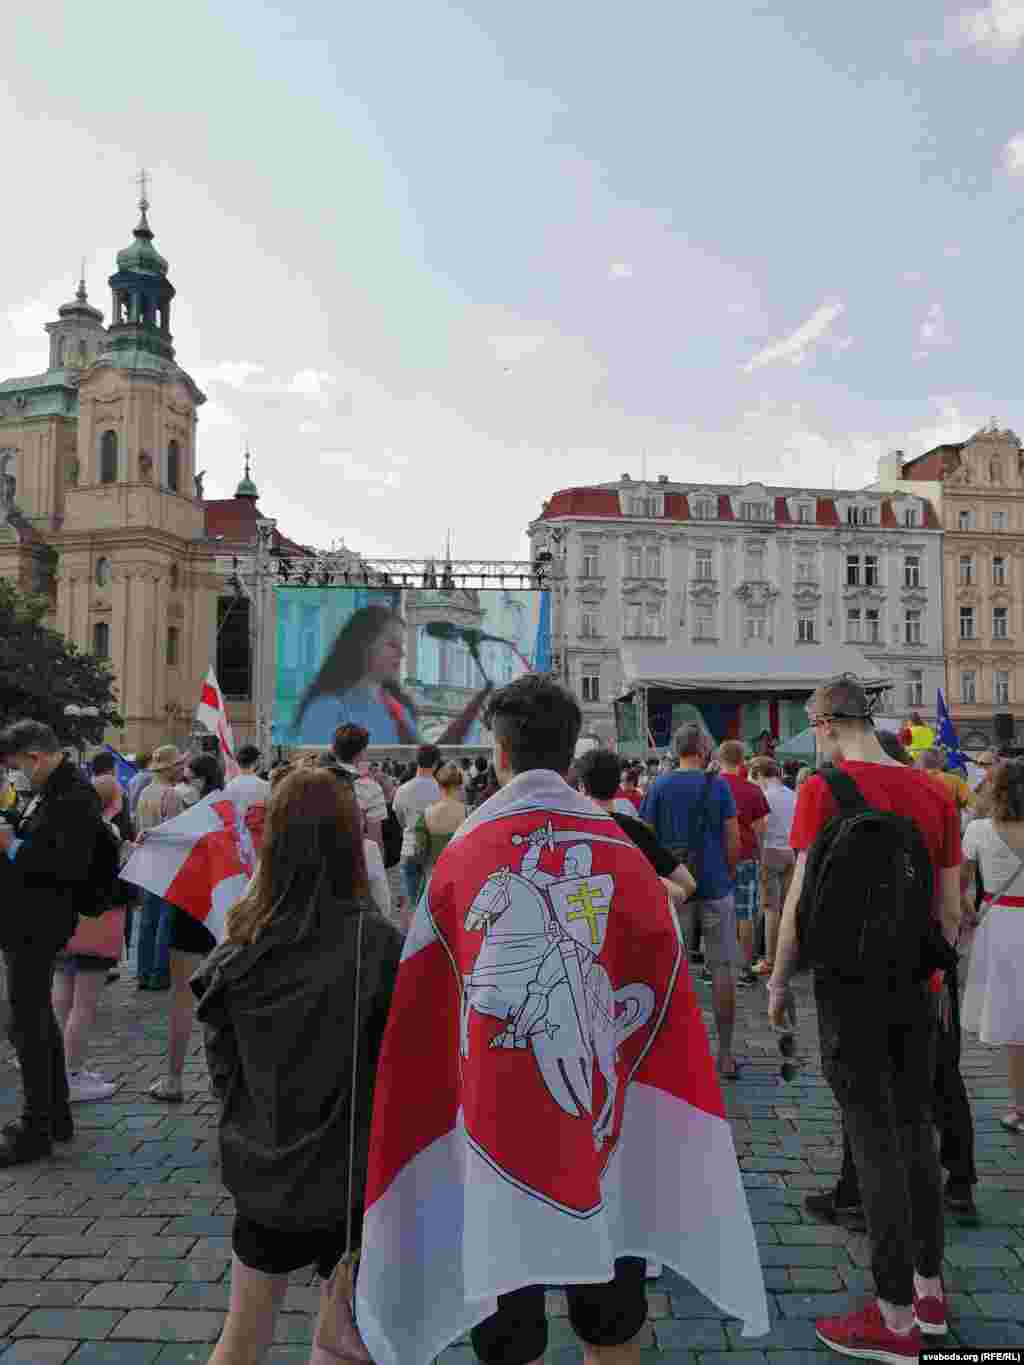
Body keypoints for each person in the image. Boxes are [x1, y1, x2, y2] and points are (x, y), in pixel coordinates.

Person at [354, 674, 769, 1365]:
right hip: (605, 1142)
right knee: (610, 1325)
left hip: (496, 1129)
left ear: (502, 751)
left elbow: (424, 1014)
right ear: (566, 750)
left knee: (510, 1336)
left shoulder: (465, 857)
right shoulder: (626, 856)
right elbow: (665, 1002)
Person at [768, 675, 961, 1358]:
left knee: (872, 1136)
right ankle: (929, 1292)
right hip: (915, 984)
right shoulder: (936, 793)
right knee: (916, 1133)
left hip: (847, 987)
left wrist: (781, 977)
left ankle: (894, 1317)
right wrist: (936, 980)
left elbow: (798, 895)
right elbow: (950, 912)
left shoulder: (824, 790)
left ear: (823, 723)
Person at [194, 765, 402, 1365]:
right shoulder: (378, 945)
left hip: (267, 1172)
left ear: (274, 841)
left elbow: (223, 1074)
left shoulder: (239, 947)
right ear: (348, 840)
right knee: (341, 1342)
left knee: (242, 1335)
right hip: (352, 1178)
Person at [0, 721, 106, 1164]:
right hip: (29, 919)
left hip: (37, 922)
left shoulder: (73, 795)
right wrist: (12, 826)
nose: (16, 776)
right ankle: (55, 1115)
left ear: (36, 757)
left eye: (17, 767)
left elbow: (61, 863)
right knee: (35, 1020)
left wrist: (10, 845)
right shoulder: (57, 790)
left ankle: (36, 1126)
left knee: (27, 1024)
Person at [640, 723, 741, 1079]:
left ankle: (674, 1057)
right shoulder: (719, 786)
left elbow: (646, 840)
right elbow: (733, 840)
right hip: (715, 885)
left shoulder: (659, 786)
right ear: (702, 750)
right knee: (723, 970)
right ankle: (725, 1054)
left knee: (671, 971)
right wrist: (725, 874)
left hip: (674, 890)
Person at [50, 755, 131, 1103]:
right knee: (83, 1004)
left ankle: (58, 1071)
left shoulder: (66, 829)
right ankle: (71, 1075)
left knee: (61, 999)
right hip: (97, 925)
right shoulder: (108, 832)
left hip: (64, 924)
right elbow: (114, 878)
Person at [290, 604, 489, 746]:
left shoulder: (395, 708)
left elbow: (430, 758)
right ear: (363, 645)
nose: (401, 654)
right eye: (392, 645)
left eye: (401, 646)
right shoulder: (327, 708)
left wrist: (476, 705)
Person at [150, 753, 224, 1103]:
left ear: (196, 779)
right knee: (220, 996)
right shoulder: (227, 812)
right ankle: (220, 1078)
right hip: (222, 907)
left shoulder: (190, 813)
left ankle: (174, 1079)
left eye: (187, 775)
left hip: (188, 905)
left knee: (181, 998)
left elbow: (159, 841)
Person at [961, 761, 1024, 1135]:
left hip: (1001, 925)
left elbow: (959, 886)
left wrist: (970, 914)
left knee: (1016, 1024)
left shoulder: (980, 830)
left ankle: (1020, 1107)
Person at [576, 749, 695, 910]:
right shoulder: (634, 829)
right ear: (618, 783)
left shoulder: (570, 832)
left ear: (582, 787)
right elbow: (687, 885)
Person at [134, 746, 189, 991]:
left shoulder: (145, 792)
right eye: (178, 765)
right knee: (165, 920)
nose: (182, 769)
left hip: (147, 861)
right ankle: (160, 973)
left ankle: (143, 972)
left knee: (147, 919)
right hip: (167, 862)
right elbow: (175, 833)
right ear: (168, 768)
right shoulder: (172, 795)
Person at [717, 741, 769, 987]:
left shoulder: (710, 788)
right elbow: (760, 830)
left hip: (716, 858)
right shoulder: (752, 790)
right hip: (746, 856)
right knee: (745, 914)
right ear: (742, 761)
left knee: (716, 912)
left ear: (720, 758)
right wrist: (760, 857)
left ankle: (714, 967)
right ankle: (744, 970)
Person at [747, 757, 796, 979]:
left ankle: (770, 959)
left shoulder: (764, 796)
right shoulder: (791, 794)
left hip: (770, 852)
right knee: (788, 908)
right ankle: (790, 957)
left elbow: (762, 827)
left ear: (759, 775)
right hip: (789, 853)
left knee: (770, 909)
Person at [410, 762, 466, 908]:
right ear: (459, 786)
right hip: (460, 878)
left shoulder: (426, 814)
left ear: (439, 785)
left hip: (434, 877)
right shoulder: (469, 813)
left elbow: (419, 851)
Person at [392, 745, 442, 908]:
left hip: (409, 847)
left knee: (411, 903)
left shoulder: (403, 789)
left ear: (417, 761)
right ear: (436, 764)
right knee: (431, 905)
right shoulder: (442, 790)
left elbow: (399, 817)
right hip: (434, 849)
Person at [324, 725, 388, 851]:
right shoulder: (370, 788)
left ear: (333, 749)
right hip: (352, 859)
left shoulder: (312, 780)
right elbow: (375, 841)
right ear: (362, 753)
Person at [918, 749, 973, 818]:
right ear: (942, 762)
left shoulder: (914, 779)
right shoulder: (955, 780)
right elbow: (971, 802)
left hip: (922, 821)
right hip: (950, 822)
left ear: (921, 763)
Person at [127, 750, 154, 821]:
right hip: (146, 816)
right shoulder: (152, 777)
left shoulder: (132, 779)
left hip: (133, 815)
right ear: (149, 762)